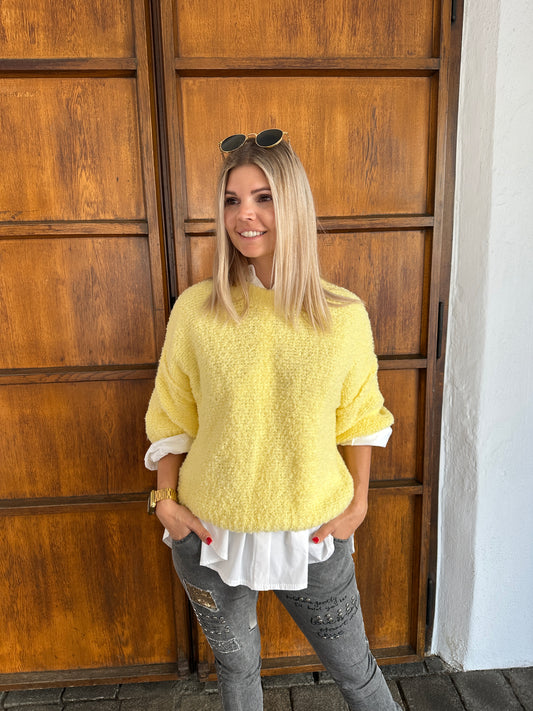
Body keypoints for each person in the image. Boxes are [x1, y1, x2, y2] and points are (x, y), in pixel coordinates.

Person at [144, 129, 400, 710]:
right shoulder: (196, 310)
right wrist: (167, 503)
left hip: (313, 531)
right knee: (237, 673)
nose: (246, 215)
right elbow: (171, 415)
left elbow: (360, 416)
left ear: (294, 205)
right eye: (232, 200)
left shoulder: (343, 314)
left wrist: (358, 503)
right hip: (209, 532)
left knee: (356, 673)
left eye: (264, 198)